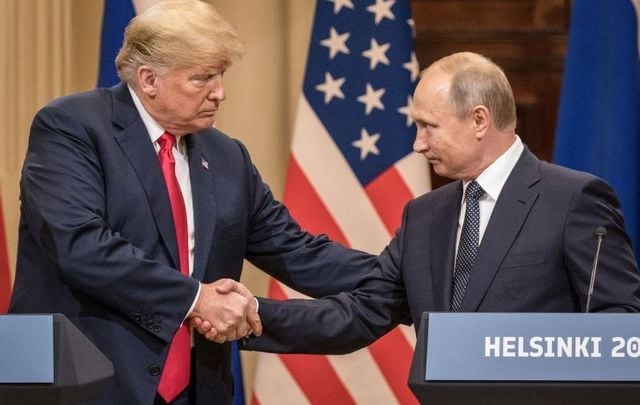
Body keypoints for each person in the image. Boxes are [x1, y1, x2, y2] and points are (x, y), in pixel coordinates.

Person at [8, 1, 374, 404]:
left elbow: (294, 249)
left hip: (196, 389)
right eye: (202, 78)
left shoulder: (226, 156)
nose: (220, 93)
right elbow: (79, 245)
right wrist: (195, 298)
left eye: (220, 75)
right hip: (88, 380)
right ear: (149, 80)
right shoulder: (73, 127)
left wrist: (402, 277)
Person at [237, 51, 640, 356]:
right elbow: (360, 313)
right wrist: (247, 315)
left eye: (429, 126)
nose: (417, 144)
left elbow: (620, 325)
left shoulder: (573, 200)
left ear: (480, 120)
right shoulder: (425, 215)